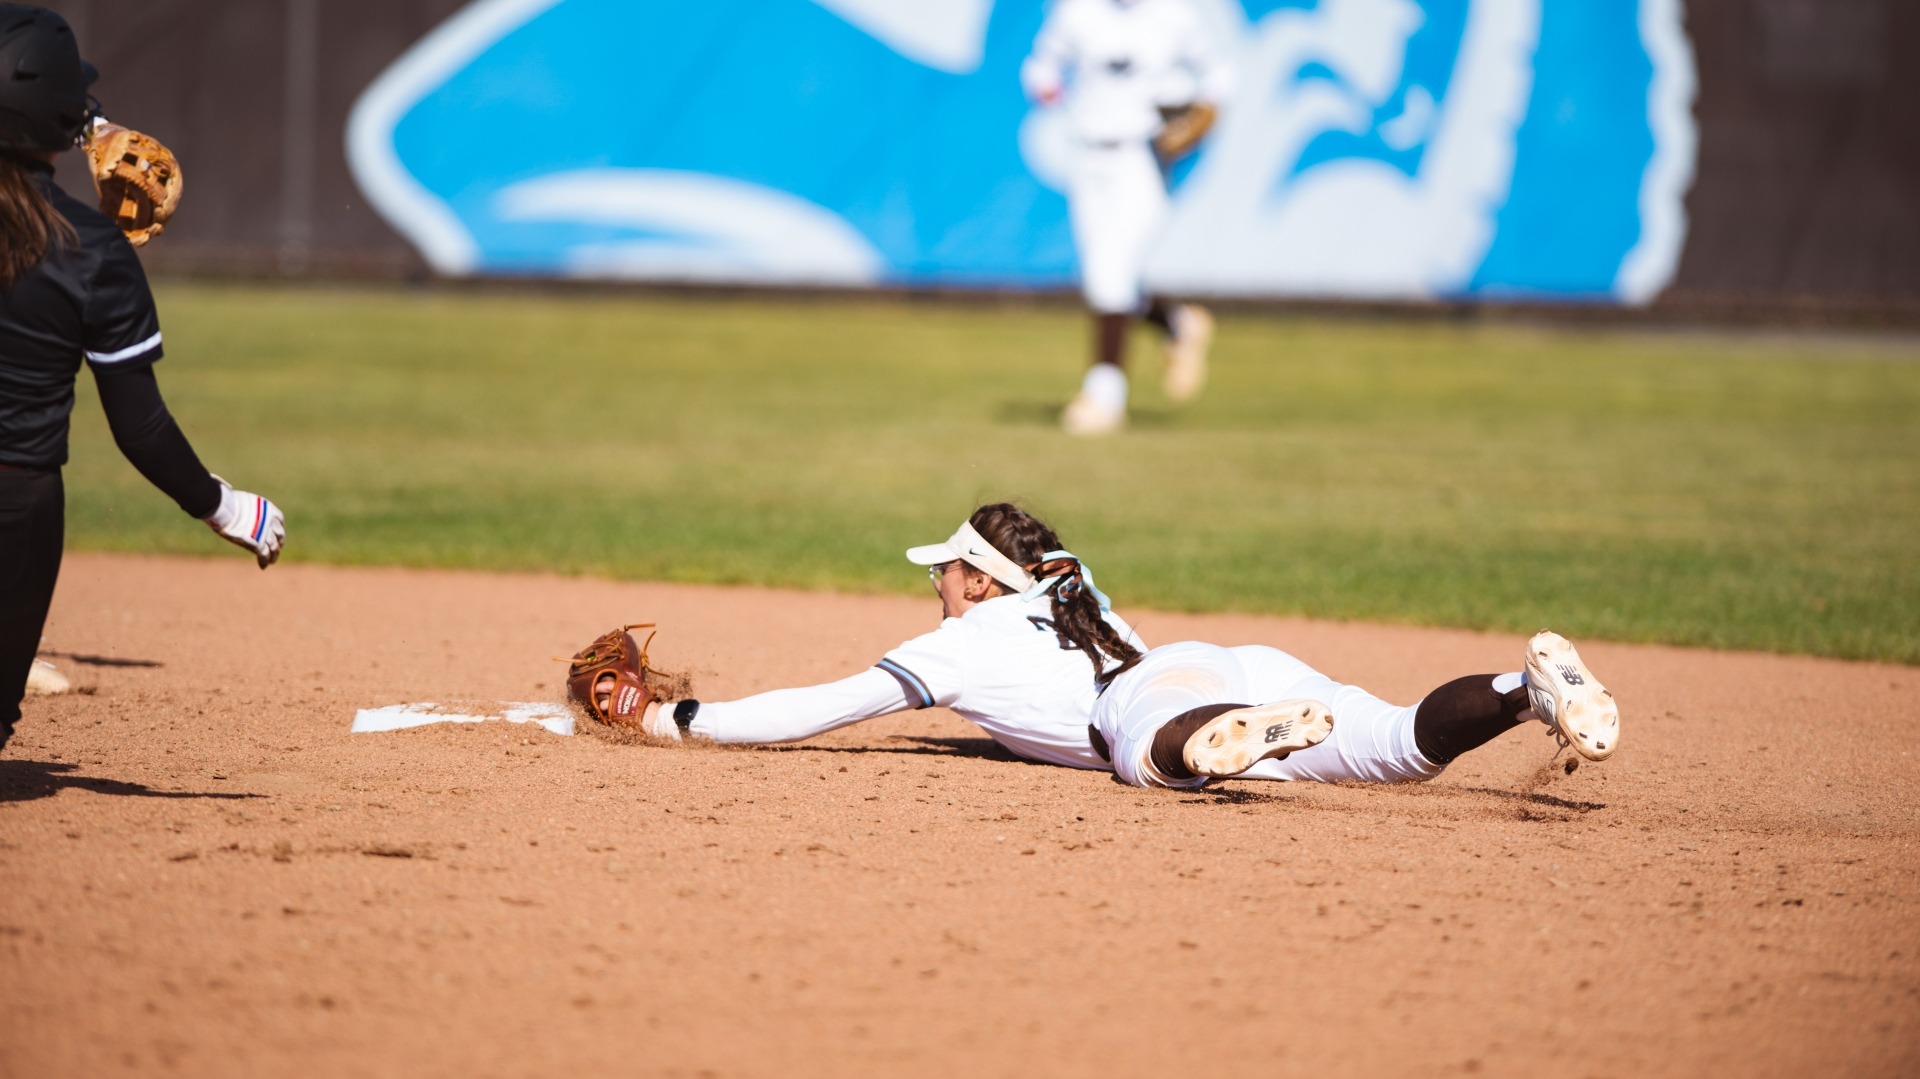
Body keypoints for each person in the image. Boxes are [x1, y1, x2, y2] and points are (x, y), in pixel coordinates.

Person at [588, 503, 1621, 793]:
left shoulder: (964, 642)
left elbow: (821, 704)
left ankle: (1220, 742)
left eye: (943, 571)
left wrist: (682, 718)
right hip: (1231, 658)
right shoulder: (1072, 591)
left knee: (1144, 746)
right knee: (1397, 739)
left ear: (983, 578)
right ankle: (1517, 690)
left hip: (1165, 695)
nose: (934, 585)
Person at [0, 5, 285, 750]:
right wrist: (224, 506)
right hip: (14, 504)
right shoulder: (90, 251)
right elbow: (140, 427)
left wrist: (71, 126)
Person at [1021, 0, 1230, 436]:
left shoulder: (1174, 14)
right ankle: (1176, 322)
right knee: (1106, 277)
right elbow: (1040, 66)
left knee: (1110, 271)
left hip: (1143, 156)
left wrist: (1205, 109)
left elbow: (1220, 74)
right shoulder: (1076, 11)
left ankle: (1103, 396)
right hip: (1087, 152)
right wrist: (1047, 88)